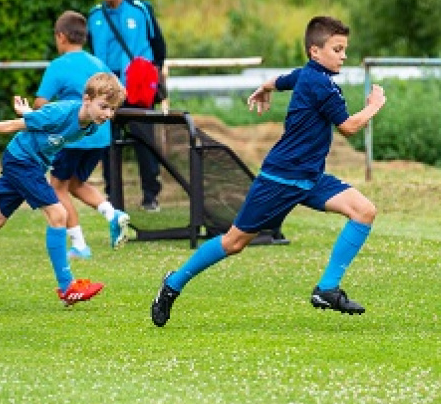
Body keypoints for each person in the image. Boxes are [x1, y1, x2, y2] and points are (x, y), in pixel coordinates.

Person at [151, 16, 387, 327]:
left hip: (310, 178)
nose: (343, 56)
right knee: (234, 243)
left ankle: (327, 288)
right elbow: (348, 127)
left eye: (345, 50)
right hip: (280, 179)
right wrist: (374, 105)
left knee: (364, 211)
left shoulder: (308, 75)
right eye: (338, 49)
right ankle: (173, 284)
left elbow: (286, 79)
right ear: (316, 51)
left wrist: (265, 86)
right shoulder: (322, 85)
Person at [0, 72, 127, 307]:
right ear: (86, 99)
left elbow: (44, 125)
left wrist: (30, 114)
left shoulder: (91, 125)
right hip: (21, 161)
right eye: (104, 107)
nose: (107, 114)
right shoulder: (62, 112)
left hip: (33, 164)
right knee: (58, 214)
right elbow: (14, 125)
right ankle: (67, 287)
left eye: (112, 110)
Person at [34, 11, 130, 260]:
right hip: (100, 136)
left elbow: (40, 104)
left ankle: (79, 244)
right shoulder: (98, 63)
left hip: (73, 135)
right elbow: (120, 91)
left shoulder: (59, 66)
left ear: (61, 37)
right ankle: (113, 215)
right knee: (76, 184)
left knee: (57, 187)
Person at [87, 0, 165, 212]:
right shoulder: (94, 17)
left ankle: (151, 194)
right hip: (106, 90)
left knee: (145, 139)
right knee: (107, 142)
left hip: (137, 87)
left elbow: (159, 47)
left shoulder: (141, 10)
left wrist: (150, 79)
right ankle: (113, 195)